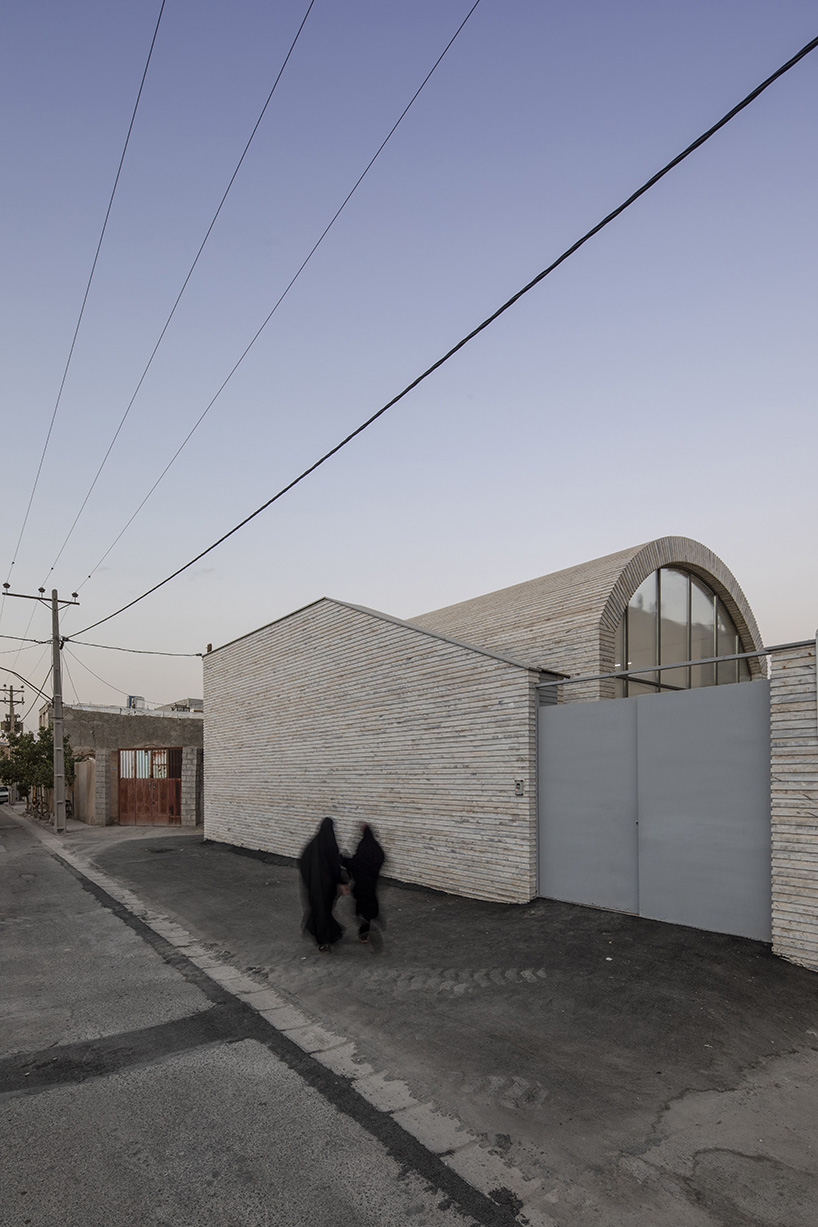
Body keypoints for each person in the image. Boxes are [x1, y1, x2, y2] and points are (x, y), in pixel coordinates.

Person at [299, 817, 347, 952]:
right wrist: (340, 881)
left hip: (314, 888)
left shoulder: (312, 846)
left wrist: (309, 880)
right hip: (327, 888)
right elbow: (334, 867)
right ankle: (325, 939)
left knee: (319, 911)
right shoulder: (331, 845)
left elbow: (303, 863)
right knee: (324, 911)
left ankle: (325, 936)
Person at [343, 823, 385, 943]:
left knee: (361, 907)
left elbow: (356, 863)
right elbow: (381, 857)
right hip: (371, 883)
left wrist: (345, 860)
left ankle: (364, 934)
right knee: (370, 905)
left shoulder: (362, 846)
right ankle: (370, 924)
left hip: (361, 884)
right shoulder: (375, 846)